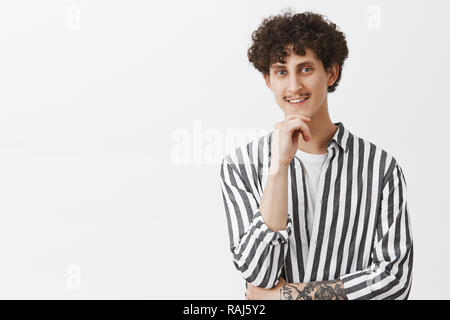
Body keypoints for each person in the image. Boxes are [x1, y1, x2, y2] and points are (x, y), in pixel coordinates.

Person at [219, 9, 413, 300]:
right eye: (281, 72)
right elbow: (259, 273)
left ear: (331, 72)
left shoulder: (380, 168)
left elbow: (393, 282)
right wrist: (279, 166)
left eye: (305, 69)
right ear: (269, 81)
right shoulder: (240, 167)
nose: (294, 86)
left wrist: (288, 296)